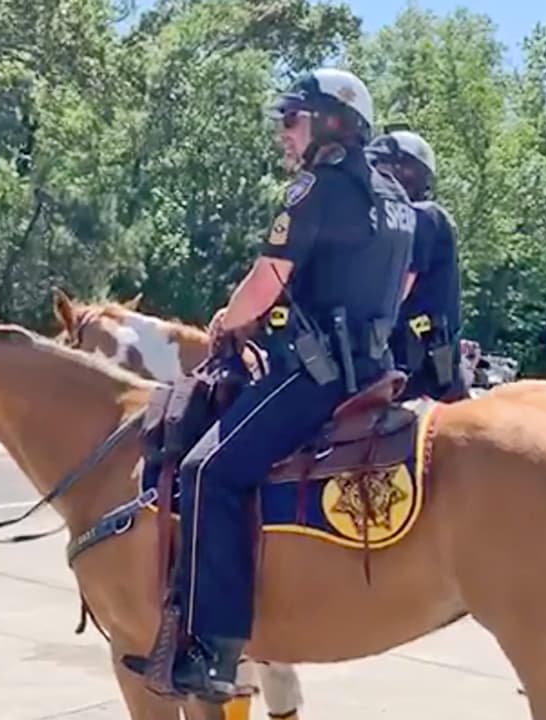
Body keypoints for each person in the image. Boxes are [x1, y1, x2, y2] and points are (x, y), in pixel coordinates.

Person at [123, 68, 416, 703]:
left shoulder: (317, 189)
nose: (283, 133)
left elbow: (266, 280)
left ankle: (215, 647)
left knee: (206, 471)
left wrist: (228, 321)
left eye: (293, 119)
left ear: (333, 123)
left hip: (315, 375)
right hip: (370, 367)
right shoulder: (394, 196)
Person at [367, 129, 467, 402]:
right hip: (419, 358)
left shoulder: (422, 216)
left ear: (409, 173)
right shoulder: (414, 219)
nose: (375, 177)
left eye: (382, 168)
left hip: (421, 366)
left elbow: (399, 288)